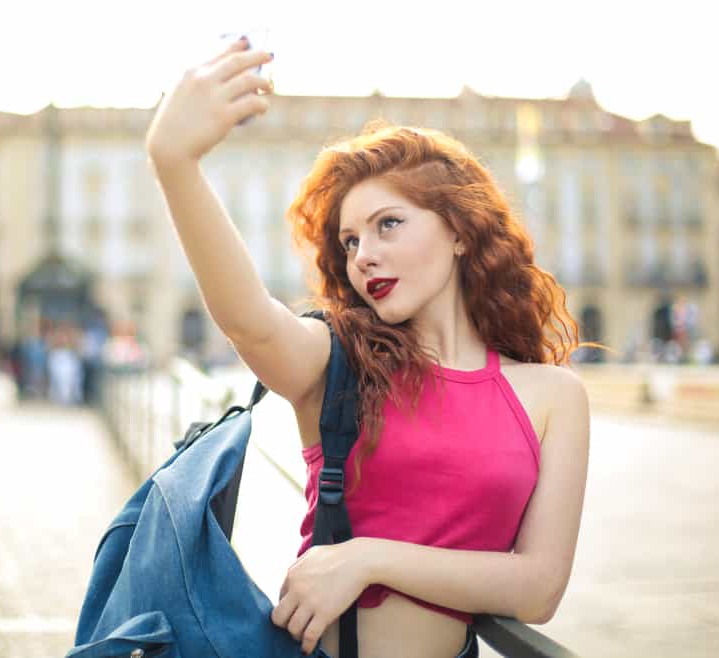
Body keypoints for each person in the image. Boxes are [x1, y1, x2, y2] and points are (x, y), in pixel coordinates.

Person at [145, 36, 590, 658]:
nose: (365, 256)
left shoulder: (554, 396)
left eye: (388, 225)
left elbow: (539, 588)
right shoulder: (340, 363)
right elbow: (250, 322)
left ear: (460, 232)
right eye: (350, 241)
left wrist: (367, 560)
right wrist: (174, 161)